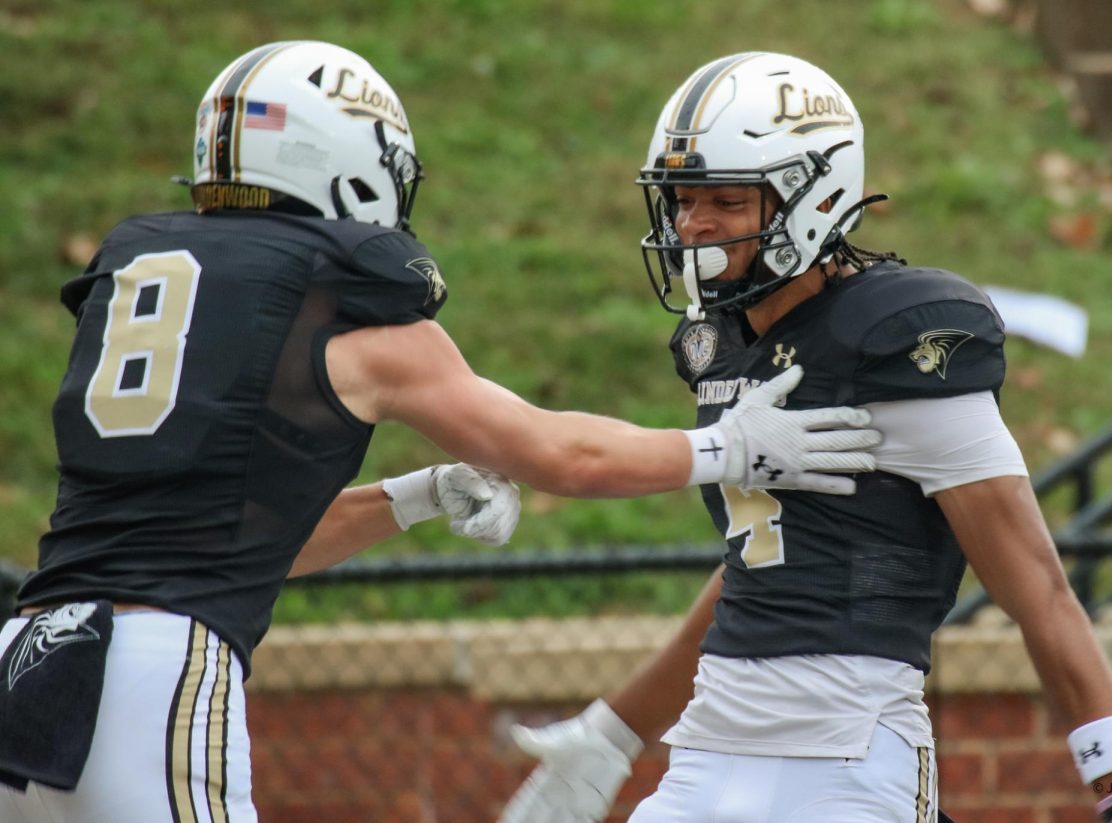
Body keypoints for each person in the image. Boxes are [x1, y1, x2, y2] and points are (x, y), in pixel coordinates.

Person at [0, 42, 886, 823]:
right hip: (157, 678)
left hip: (31, 659)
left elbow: (231, 543)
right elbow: (559, 454)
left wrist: (413, 496)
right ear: (350, 164)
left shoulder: (144, 284)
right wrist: (730, 444)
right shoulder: (345, 306)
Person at [499, 52, 1112, 823]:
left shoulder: (897, 340)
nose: (694, 224)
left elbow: (1042, 595)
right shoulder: (723, 344)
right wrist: (614, 733)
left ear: (814, 200)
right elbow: (762, 565)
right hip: (709, 749)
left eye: (726, 198)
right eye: (684, 198)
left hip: (850, 755)